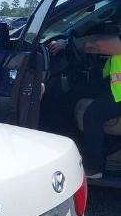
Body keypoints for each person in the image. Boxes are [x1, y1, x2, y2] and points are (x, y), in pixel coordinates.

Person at [50, 34, 121, 179]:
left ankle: (94, 167)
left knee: (92, 115)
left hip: (118, 91)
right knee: (75, 92)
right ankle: (67, 139)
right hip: (112, 84)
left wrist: (70, 44)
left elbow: (99, 45)